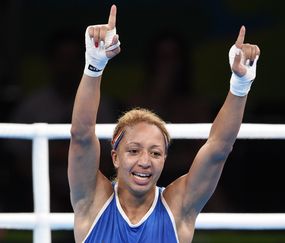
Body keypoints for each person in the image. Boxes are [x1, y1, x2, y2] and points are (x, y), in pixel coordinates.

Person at [68, 5, 260, 243]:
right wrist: (94, 66)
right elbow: (82, 135)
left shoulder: (177, 209)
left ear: (165, 159)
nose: (145, 161)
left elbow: (219, 148)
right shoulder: (92, 202)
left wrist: (240, 85)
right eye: (134, 150)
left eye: (155, 153)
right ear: (115, 157)